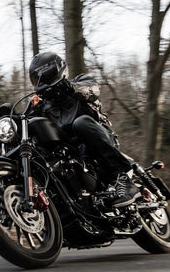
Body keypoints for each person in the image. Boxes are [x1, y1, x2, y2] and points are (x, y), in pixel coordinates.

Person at [27, 51, 139, 208]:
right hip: (73, 154)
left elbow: (91, 90)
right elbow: (28, 121)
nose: (38, 81)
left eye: (40, 77)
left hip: (99, 140)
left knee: (80, 123)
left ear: (53, 72)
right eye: (35, 78)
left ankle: (124, 178)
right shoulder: (42, 106)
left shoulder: (79, 82)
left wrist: (71, 87)